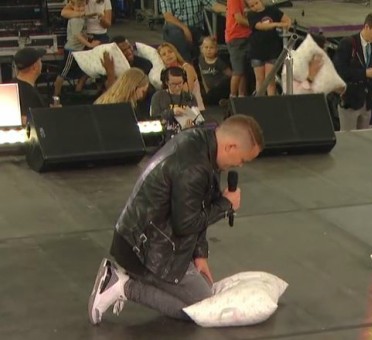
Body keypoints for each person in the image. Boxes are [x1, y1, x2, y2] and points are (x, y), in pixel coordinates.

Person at [87, 114, 264, 325]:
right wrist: (226, 205)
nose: (241, 166)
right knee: (206, 309)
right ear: (231, 147)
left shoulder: (203, 145)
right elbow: (186, 224)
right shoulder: (194, 167)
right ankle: (123, 286)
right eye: (242, 160)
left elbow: (199, 204)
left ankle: (126, 280)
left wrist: (200, 254)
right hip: (142, 249)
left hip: (149, 237)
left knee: (204, 295)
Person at [334, 12, 372, 131]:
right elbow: (340, 71)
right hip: (350, 101)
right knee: (350, 141)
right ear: (367, 27)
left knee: (364, 139)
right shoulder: (347, 44)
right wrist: (364, 73)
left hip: (365, 102)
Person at [53, 0, 100, 99]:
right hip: (72, 50)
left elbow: (83, 19)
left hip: (78, 49)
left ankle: (76, 90)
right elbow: (77, 35)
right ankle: (56, 95)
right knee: (63, 72)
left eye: (82, 6)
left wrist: (94, 14)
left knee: (83, 69)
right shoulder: (75, 19)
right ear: (72, 8)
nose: (80, 9)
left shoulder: (80, 17)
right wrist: (89, 44)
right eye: (78, 7)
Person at [246, 0, 292, 96]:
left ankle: (271, 103)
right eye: (252, 6)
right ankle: (259, 103)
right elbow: (261, 26)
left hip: (272, 49)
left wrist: (286, 25)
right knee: (260, 80)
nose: (255, 7)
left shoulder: (272, 10)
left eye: (256, 3)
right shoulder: (251, 15)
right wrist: (277, 24)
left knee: (270, 79)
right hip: (257, 50)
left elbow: (287, 19)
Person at [150, 66, 199, 138]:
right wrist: (172, 112)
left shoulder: (190, 97)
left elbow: (197, 118)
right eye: (173, 84)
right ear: (166, 82)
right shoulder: (158, 96)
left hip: (186, 135)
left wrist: (192, 124)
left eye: (180, 83)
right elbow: (154, 119)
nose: (177, 87)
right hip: (164, 136)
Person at [157, 42, 204, 110]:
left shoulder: (187, 68)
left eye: (170, 52)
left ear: (175, 53)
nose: (168, 55)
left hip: (194, 109)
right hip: (174, 110)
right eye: (164, 54)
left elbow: (187, 92)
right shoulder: (164, 73)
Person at [12, 48, 49, 126]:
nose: (41, 63)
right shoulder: (30, 95)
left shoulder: (12, 85)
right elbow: (36, 123)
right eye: (40, 61)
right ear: (35, 67)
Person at [198, 36, 232, 106]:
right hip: (210, 90)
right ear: (202, 49)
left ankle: (226, 100)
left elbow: (230, 74)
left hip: (220, 88)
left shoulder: (218, 62)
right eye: (206, 47)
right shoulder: (200, 60)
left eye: (211, 48)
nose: (208, 50)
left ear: (216, 49)